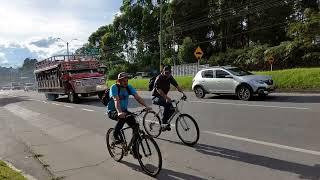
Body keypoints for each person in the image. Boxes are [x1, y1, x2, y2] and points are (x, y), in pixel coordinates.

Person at [107, 72, 151, 157]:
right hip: (113, 111)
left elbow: (137, 97)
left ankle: (134, 150)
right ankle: (115, 136)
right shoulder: (114, 87)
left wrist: (146, 106)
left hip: (124, 110)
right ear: (118, 81)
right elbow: (116, 100)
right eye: (123, 81)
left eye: (126, 80)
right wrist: (119, 112)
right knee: (122, 118)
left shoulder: (129, 87)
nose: (125, 82)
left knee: (136, 126)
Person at [151, 65, 186, 131]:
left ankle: (165, 121)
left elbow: (177, 86)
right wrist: (166, 98)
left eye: (169, 72)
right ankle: (164, 123)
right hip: (155, 97)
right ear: (163, 72)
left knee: (173, 106)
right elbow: (159, 90)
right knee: (167, 103)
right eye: (166, 72)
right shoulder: (159, 78)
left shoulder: (170, 77)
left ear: (170, 72)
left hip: (163, 97)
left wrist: (183, 93)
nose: (167, 74)